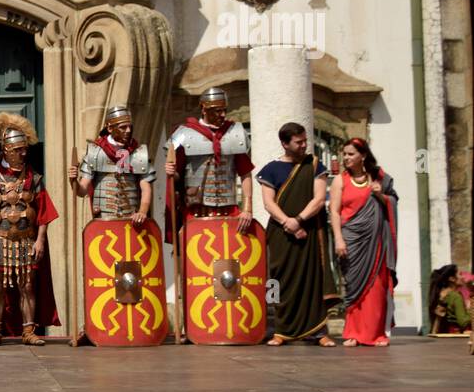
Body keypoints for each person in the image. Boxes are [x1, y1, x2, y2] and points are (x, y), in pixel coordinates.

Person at [0, 113, 58, 347]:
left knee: (27, 285)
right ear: (7, 150)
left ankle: (29, 331)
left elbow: (43, 214)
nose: (24, 152)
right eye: (18, 149)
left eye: (24, 148)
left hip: (26, 241)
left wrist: (40, 240)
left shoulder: (35, 179)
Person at [256, 122, 337, 346]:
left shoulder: (314, 165)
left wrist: (299, 220)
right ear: (285, 143)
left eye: (305, 141)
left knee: (313, 279)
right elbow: (268, 203)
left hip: (310, 229)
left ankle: (319, 332)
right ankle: (281, 331)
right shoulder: (271, 169)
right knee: (281, 279)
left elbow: (319, 199)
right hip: (280, 233)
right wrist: (287, 222)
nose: (303, 145)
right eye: (298, 142)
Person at [330, 137, 398, 347]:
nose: (346, 158)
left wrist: (381, 196)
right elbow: (334, 211)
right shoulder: (340, 180)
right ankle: (352, 333)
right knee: (353, 287)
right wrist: (338, 239)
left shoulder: (378, 178)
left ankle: (377, 334)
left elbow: (393, 200)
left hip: (376, 243)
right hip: (351, 240)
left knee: (375, 289)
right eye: (345, 154)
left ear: (363, 155)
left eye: (351, 154)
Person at [164, 87, 255, 232]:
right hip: (196, 211)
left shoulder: (235, 132)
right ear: (203, 109)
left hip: (229, 210)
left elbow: (245, 173)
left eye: (224, 109)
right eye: (217, 110)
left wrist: (248, 208)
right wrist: (171, 173)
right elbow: (177, 177)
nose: (223, 114)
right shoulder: (184, 133)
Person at [69, 105, 154, 223]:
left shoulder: (138, 152)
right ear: (110, 128)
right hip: (103, 220)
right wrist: (73, 181)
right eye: (123, 127)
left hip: (132, 220)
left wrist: (142, 212)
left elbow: (146, 188)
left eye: (130, 127)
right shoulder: (95, 152)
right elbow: (81, 191)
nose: (128, 130)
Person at [428, 264, 471, 334]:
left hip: (444, 334)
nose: (463, 277)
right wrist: (470, 310)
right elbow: (463, 322)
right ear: (452, 279)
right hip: (455, 337)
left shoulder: (442, 294)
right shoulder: (456, 296)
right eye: (460, 274)